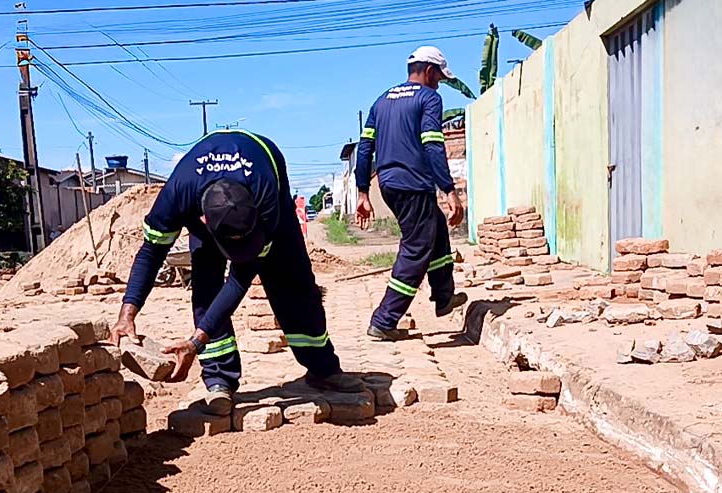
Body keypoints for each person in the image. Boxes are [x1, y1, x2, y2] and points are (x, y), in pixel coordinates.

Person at [111, 129, 364, 416]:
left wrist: (195, 342)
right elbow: (151, 253)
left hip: (267, 185)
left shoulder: (265, 198)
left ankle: (323, 369)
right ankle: (219, 379)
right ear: (204, 221)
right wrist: (127, 313)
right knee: (206, 287)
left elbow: (240, 279)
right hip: (202, 201)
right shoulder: (176, 197)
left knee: (294, 282)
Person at [355, 46, 468, 342]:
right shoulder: (429, 98)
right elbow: (432, 144)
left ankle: (444, 296)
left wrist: (363, 192)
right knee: (416, 248)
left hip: (388, 185)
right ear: (429, 71)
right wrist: (449, 190)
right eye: (439, 78)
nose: (439, 84)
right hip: (413, 184)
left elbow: (365, 148)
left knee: (437, 229)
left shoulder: (381, 101)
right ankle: (384, 320)